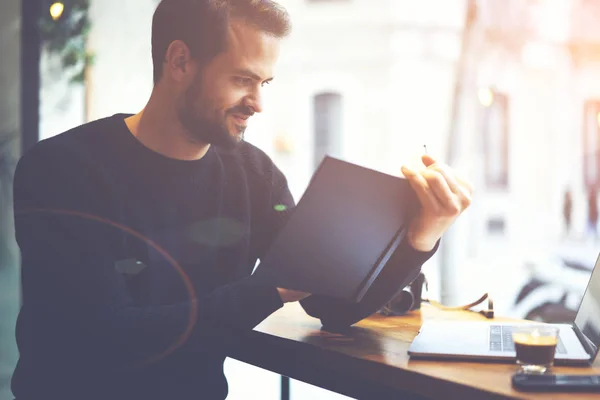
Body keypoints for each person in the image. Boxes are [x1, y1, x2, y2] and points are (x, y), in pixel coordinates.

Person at [10, 0, 472, 399]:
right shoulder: (62, 170)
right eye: (243, 79)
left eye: (264, 83)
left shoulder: (254, 175)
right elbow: (108, 337)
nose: (257, 103)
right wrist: (270, 289)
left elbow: (330, 306)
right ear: (179, 62)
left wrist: (420, 236)